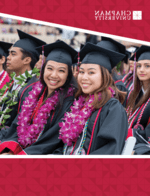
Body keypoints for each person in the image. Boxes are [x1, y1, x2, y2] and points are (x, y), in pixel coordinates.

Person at [0, 40, 78, 155]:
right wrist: (9, 150)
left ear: (68, 75)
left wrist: (20, 155)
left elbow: (51, 141)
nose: (53, 75)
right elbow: (17, 126)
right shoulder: (33, 94)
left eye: (61, 70)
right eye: (50, 68)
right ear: (43, 69)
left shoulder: (69, 102)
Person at [59, 42, 128, 155]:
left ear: (104, 76)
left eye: (91, 72)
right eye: (81, 72)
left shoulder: (112, 109)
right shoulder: (79, 104)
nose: (84, 77)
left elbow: (110, 150)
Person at [0, 29, 46, 128]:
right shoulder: (14, 82)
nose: (8, 57)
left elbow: (19, 126)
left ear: (27, 60)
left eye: (13, 54)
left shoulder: (32, 88)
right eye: (9, 54)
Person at [126, 45, 150, 155]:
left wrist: (129, 133)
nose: (141, 70)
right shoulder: (133, 93)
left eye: (147, 66)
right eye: (139, 66)